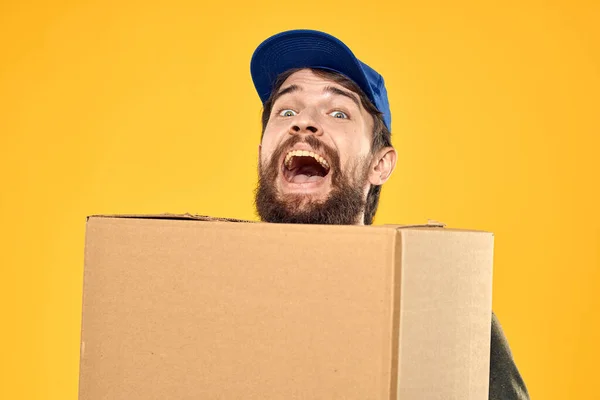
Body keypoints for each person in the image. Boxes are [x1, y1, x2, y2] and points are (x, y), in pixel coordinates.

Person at [250, 29, 530, 399]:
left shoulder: (445, 314)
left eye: (338, 112)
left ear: (380, 165)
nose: (304, 122)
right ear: (261, 153)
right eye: (287, 110)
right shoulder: (205, 293)